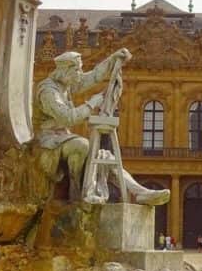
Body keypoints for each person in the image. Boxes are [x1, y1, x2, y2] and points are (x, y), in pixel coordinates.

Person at [33, 49, 169, 205]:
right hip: (47, 142)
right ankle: (78, 195)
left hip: (61, 140)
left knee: (105, 157)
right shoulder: (48, 91)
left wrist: (112, 60)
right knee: (82, 145)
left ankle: (140, 192)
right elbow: (68, 118)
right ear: (65, 70)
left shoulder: (66, 85)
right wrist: (92, 103)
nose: (80, 73)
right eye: (77, 69)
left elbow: (94, 76)